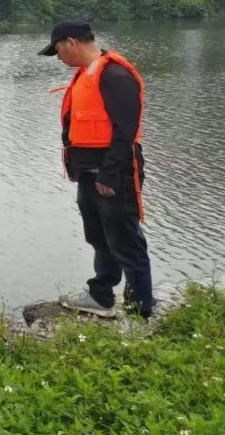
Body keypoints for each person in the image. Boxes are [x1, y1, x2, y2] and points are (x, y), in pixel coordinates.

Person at [40, 19, 154, 319]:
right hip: (90, 173)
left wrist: (109, 174)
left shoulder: (115, 74)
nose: (59, 58)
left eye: (58, 50)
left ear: (71, 43)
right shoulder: (84, 74)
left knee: (126, 238)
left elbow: (125, 131)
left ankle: (142, 308)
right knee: (99, 236)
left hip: (113, 174)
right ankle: (101, 295)